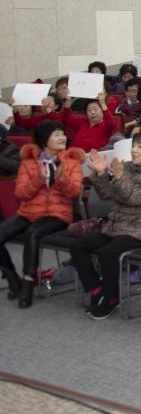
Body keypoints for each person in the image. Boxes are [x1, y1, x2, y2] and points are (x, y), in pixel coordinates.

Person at [71, 126, 141, 319]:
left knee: (107, 253)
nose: (134, 150)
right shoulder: (127, 168)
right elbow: (106, 194)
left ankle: (111, 298)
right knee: (78, 246)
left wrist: (119, 177)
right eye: (134, 145)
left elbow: (136, 198)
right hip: (118, 227)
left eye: (140, 147)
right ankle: (96, 291)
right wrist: (101, 175)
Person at [0, 121, 84, 308]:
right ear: (45, 140)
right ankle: (12, 278)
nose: (62, 137)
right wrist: (38, 179)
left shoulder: (71, 162)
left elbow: (74, 193)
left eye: (62, 133)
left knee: (33, 233)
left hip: (58, 213)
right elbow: (21, 194)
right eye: (56, 134)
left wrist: (61, 178)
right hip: (29, 212)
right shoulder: (29, 163)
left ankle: (28, 283)